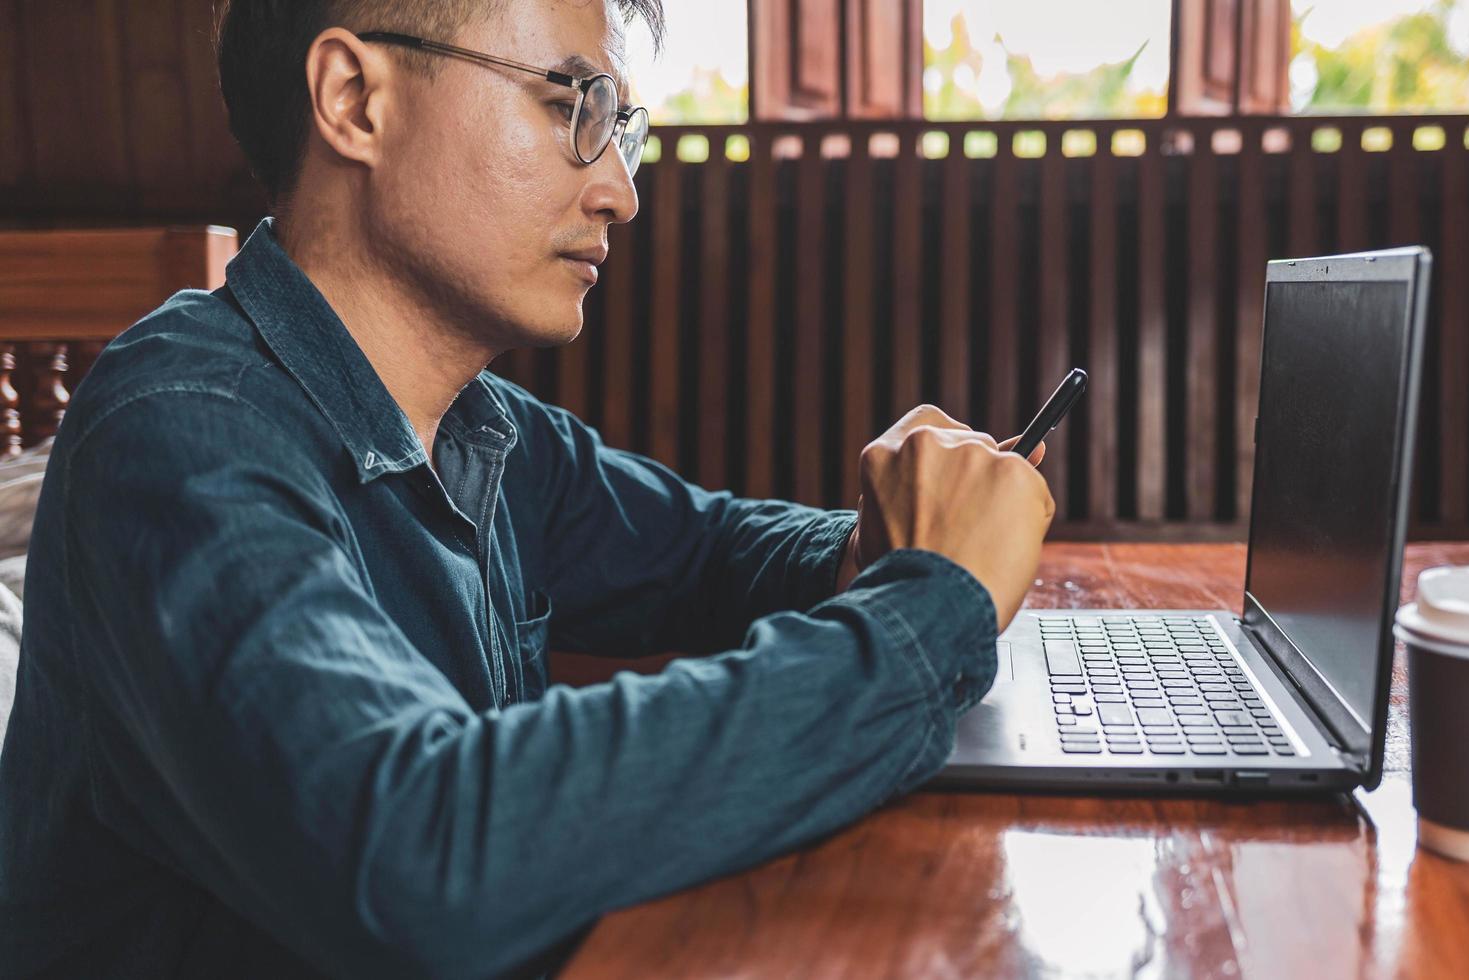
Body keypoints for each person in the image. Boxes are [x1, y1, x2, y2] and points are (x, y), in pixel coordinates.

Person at [0, 0, 1055, 975]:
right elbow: (418, 848)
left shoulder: (478, 425)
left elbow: (710, 551)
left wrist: (877, 544)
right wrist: (927, 611)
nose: (620, 191)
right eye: (570, 106)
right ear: (353, 101)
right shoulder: (179, 433)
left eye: (621, 128)